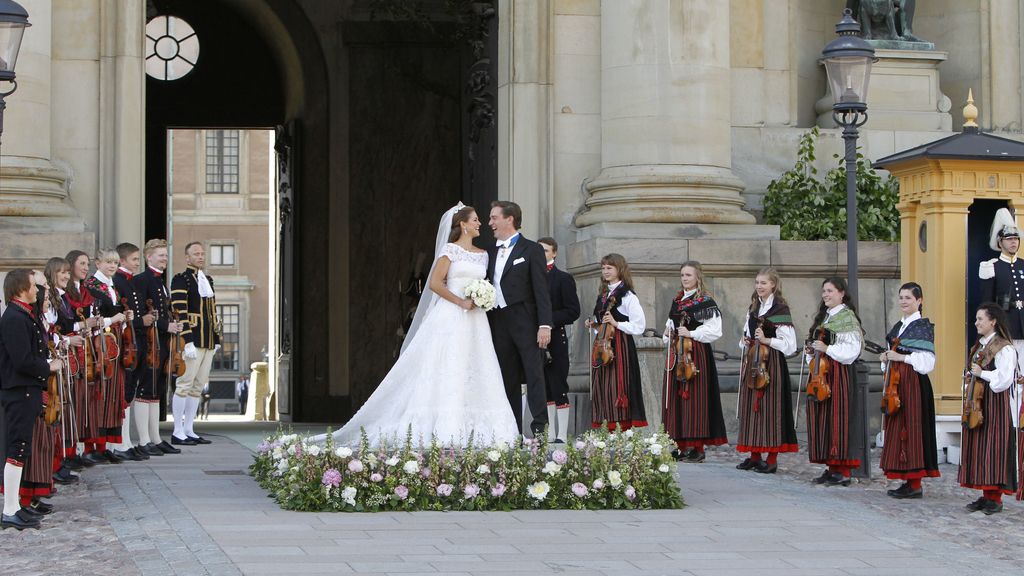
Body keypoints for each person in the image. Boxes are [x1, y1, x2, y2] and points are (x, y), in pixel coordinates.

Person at [319, 204, 518, 446]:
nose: (480, 224)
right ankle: (444, 426)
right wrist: (460, 302)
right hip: (451, 315)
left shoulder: (483, 254)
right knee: (449, 365)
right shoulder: (450, 250)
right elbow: (435, 283)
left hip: (476, 320)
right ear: (463, 224)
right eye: (475, 220)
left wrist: (481, 297)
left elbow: (486, 282)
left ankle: (480, 429)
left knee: (477, 365)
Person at [1, 269, 64, 530]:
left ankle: (16, 506)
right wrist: (48, 366)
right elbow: (22, 360)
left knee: (22, 448)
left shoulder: (23, 315)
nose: (37, 291)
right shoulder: (14, 318)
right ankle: (9, 510)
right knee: (17, 448)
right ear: (20, 289)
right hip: (19, 390)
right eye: (33, 286)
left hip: (27, 389)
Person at [487, 201, 553, 437]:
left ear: (510, 219)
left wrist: (544, 325)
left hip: (526, 321)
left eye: (494, 218)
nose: (490, 223)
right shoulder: (489, 251)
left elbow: (541, 290)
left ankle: (540, 430)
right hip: (499, 321)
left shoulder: (531, 249)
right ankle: (512, 432)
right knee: (507, 377)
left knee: (534, 375)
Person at [878, 282, 939, 499]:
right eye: (901, 297)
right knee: (898, 429)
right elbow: (892, 355)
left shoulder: (922, 327)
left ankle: (915, 483)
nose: (903, 301)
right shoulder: (899, 326)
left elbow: (927, 362)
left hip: (914, 385)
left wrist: (902, 357)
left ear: (919, 300)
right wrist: (886, 358)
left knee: (912, 429)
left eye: (908, 298)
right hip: (897, 385)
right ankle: (906, 479)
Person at [662, 261, 726, 463]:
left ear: (698, 277)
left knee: (696, 400)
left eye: (688, 275)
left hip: (695, 354)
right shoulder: (677, 301)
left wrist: (692, 333)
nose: (685, 278)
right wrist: (667, 333)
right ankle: (680, 446)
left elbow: (715, 330)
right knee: (675, 399)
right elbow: (670, 325)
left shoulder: (705, 302)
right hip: (677, 353)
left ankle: (697, 448)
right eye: (682, 275)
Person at [735, 267, 798, 473]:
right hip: (753, 360)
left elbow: (790, 345)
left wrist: (767, 340)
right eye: (757, 283)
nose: (759, 286)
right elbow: (746, 334)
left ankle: (771, 459)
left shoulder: (780, 310)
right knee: (751, 408)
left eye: (763, 283)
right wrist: (745, 340)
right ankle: (754, 456)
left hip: (771, 363)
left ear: (773, 285)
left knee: (771, 409)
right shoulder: (754, 308)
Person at [959, 303, 1019, 515]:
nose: (976, 323)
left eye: (980, 319)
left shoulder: (1004, 348)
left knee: (994, 448)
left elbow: (1004, 379)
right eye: (976, 319)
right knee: (981, 448)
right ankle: (986, 495)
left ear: (993, 321)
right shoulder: (979, 346)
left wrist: (981, 374)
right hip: (978, 401)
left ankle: (995, 498)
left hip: (995, 403)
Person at [805, 277, 864, 487]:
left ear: (841, 293)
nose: (826, 295)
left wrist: (827, 349)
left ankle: (844, 470)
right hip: (823, 373)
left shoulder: (847, 317)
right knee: (825, 420)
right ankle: (831, 467)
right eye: (824, 291)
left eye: (830, 291)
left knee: (839, 418)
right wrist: (811, 351)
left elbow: (852, 351)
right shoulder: (825, 317)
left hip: (839, 374)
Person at [585, 253, 647, 431]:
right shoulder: (603, 295)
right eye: (603, 268)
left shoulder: (627, 295)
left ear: (619, 269)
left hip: (620, 345)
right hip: (602, 345)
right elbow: (602, 324)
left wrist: (616, 323)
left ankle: (621, 428)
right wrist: (594, 325)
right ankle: (606, 426)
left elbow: (639, 325)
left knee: (617, 384)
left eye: (609, 268)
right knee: (602, 385)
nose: (605, 271)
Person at [83, 248, 133, 463]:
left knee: (112, 395)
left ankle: (105, 446)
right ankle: (92, 446)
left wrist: (125, 317)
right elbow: (93, 317)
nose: (112, 266)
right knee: (100, 394)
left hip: (115, 343)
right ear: (98, 263)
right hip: (100, 344)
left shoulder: (113, 286)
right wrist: (114, 319)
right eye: (108, 262)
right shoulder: (91, 286)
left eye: (115, 262)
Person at [134, 239, 182, 455]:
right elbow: (144, 314)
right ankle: (144, 440)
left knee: (157, 389)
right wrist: (165, 325)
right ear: (149, 257)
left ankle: (155, 438)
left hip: (162, 341)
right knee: (146, 388)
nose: (165, 258)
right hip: (149, 342)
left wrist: (172, 323)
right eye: (161, 255)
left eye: (166, 255)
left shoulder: (160, 280)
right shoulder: (142, 280)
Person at [170, 242, 220, 445]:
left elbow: (213, 312)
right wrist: (187, 341)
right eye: (196, 254)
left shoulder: (207, 280)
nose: (200, 256)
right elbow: (179, 311)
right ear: (187, 257)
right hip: (192, 340)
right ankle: (177, 430)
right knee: (184, 385)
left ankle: (189, 429)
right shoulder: (181, 279)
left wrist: (217, 339)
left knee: (197, 387)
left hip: (208, 341)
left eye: (202, 253)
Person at [42, 257, 87, 482]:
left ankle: (60, 460)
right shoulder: (49, 299)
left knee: (61, 409)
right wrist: (68, 340)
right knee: (53, 411)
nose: (66, 276)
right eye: (62, 272)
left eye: (68, 272)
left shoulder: (61, 298)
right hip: (51, 359)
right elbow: (49, 331)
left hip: (61, 357)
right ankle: (53, 464)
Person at [111, 242, 154, 461]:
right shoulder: (118, 281)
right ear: (123, 260)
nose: (138, 263)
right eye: (135, 259)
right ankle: (120, 442)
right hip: (127, 342)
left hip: (135, 342)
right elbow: (122, 316)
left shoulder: (130, 281)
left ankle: (126, 440)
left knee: (130, 392)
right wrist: (140, 321)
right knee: (125, 392)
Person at [64, 250, 105, 466]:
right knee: (73, 400)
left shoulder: (85, 291)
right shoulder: (66, 293)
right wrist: (83, 325)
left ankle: (82, 448)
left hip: (86, 348)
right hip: (71, 350)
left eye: (87, 264)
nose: (85, 268)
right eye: (81, 263)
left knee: (85, 400)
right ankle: (69, 451)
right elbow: (63, 324)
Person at [538, 237, 580, 444]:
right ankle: (549, 433)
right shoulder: (529, 276)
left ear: (554, 253)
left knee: (558, 384)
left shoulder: (563, 278)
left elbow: (573, 311)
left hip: (555, 339)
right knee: (543, 387)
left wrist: (547, 321)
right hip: (533, 340)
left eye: (546, 250)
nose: (542, 254)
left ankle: (561, 434)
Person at [979, 207, 1024, 376]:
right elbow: (987, 303)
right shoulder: (991, 267)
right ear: (1000, 242)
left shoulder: (1023, 264)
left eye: (1016, 239)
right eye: (1009, 239)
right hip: (1005, 327)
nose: (1013, 242)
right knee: (1007, 372)